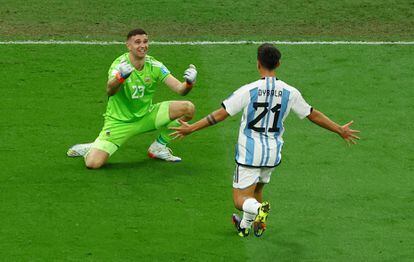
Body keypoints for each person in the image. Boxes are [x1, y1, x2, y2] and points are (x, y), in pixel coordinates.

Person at [170, 43, 360, 237]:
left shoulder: (249, 90)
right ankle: (245, 226)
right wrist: (339, 129)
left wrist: (191, 128)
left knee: (240, 199)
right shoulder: (290, 92)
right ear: (278, 63)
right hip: (272, 153)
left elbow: (220, 115)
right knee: (257, 190)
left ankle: (260, 212)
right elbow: (312, 114)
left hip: (250, 153)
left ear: (258, 63)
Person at [67, 28, 198, 169]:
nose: (143, 45)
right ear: (128, 46)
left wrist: (189, 83)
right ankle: (93, 147)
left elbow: (180, 89)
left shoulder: (154, 65)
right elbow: (110, 91)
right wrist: (120, 78)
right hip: (120, 122)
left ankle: (159, 147)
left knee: (188, 109)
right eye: (137, 42)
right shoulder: (120, 65)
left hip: (147, 116)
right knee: (93, 164)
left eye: (145, 41)